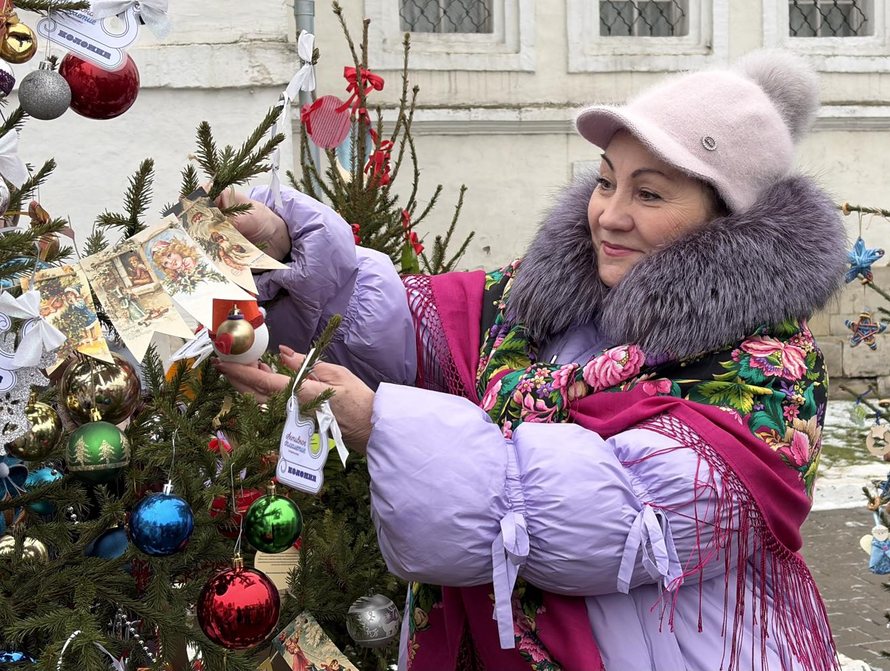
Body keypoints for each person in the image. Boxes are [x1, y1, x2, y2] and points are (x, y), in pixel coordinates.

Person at [214, 50, 846, 671]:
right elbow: (406, 326)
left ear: (729, 222)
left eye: (648, 194)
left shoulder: (768, 376)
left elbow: (606, 521)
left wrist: (386, 424)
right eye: (605, 181)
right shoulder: (548, 303)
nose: (610, 215)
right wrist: (293, 252)